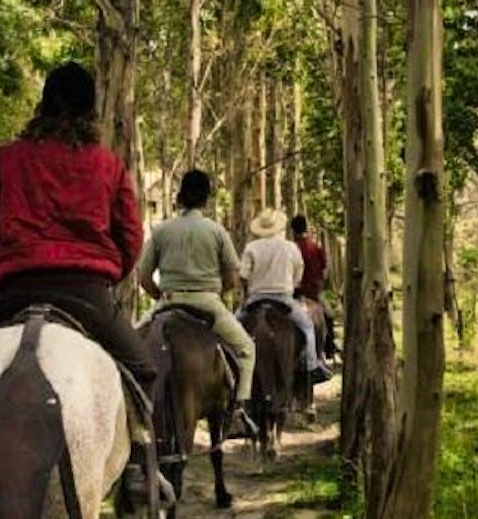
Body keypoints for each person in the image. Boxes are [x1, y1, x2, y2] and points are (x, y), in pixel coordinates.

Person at [0, 61, 160, 492]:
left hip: (18, 291)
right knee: (143, 368)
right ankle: (139, 465)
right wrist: (112, 272)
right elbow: (130, 236)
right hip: (87, 295)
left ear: (42, 106)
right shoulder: (107, 165)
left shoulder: (8, 158)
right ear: (91, 112)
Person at [135, 170, 260, 439]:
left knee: (131, 346)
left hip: (168, 302)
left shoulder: (162, 230)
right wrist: (215, 292)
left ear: (179, 197)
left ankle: (131, 416)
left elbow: (144, 277)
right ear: (206, 198)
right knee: (247, 350)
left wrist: (161, 298)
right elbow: (232, 277)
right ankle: (239, 412)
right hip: (207, 302)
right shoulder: (216, 231)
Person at [239, 209, 333, 384]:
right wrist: (291, 285)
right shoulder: (290, 247)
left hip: (255, 299)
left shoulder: (251, 247)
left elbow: (243, 276)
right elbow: (299, 272)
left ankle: (233, 368)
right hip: (284, 299)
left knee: (234, 326)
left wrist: (247, 294)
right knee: (307, 327)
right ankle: (312, 366)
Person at [290, 215, 337, 357]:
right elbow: (324, 270)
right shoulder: (315, 247)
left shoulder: (292, 248)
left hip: (294, 293)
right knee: (329, 315)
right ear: (306, 228)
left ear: (293, 231)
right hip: (314, 293)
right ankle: (330, 347)